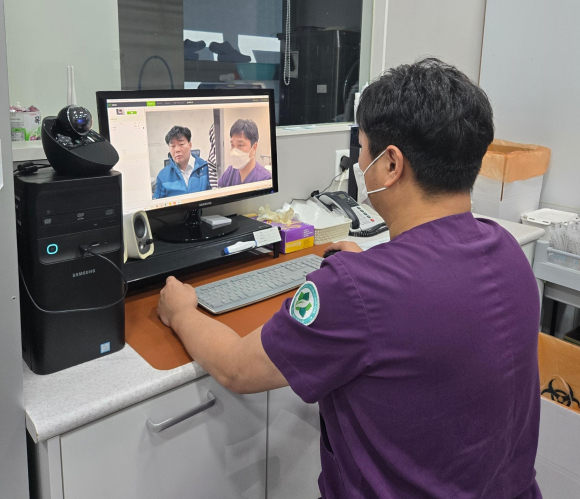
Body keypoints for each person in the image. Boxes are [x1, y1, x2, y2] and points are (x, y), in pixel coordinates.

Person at [157, 59, 542, 499]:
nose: (360, 162)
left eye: (362, 148)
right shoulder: (507, 249)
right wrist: (369, 269)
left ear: (391, 164)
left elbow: (236, 369)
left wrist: (181, 311)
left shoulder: (356, 289)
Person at [153, 126, 211, 199]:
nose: (177, 150)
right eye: (173, 146)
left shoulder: (206, 168)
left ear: (190, 145)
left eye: (181, 144)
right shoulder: (162, 176)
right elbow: (157, 203)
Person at [217, 119, 272, 187]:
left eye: (240, 145)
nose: (234, 151)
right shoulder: (229, 173)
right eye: (232, 145)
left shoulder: (265, 179)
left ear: (254, 147)